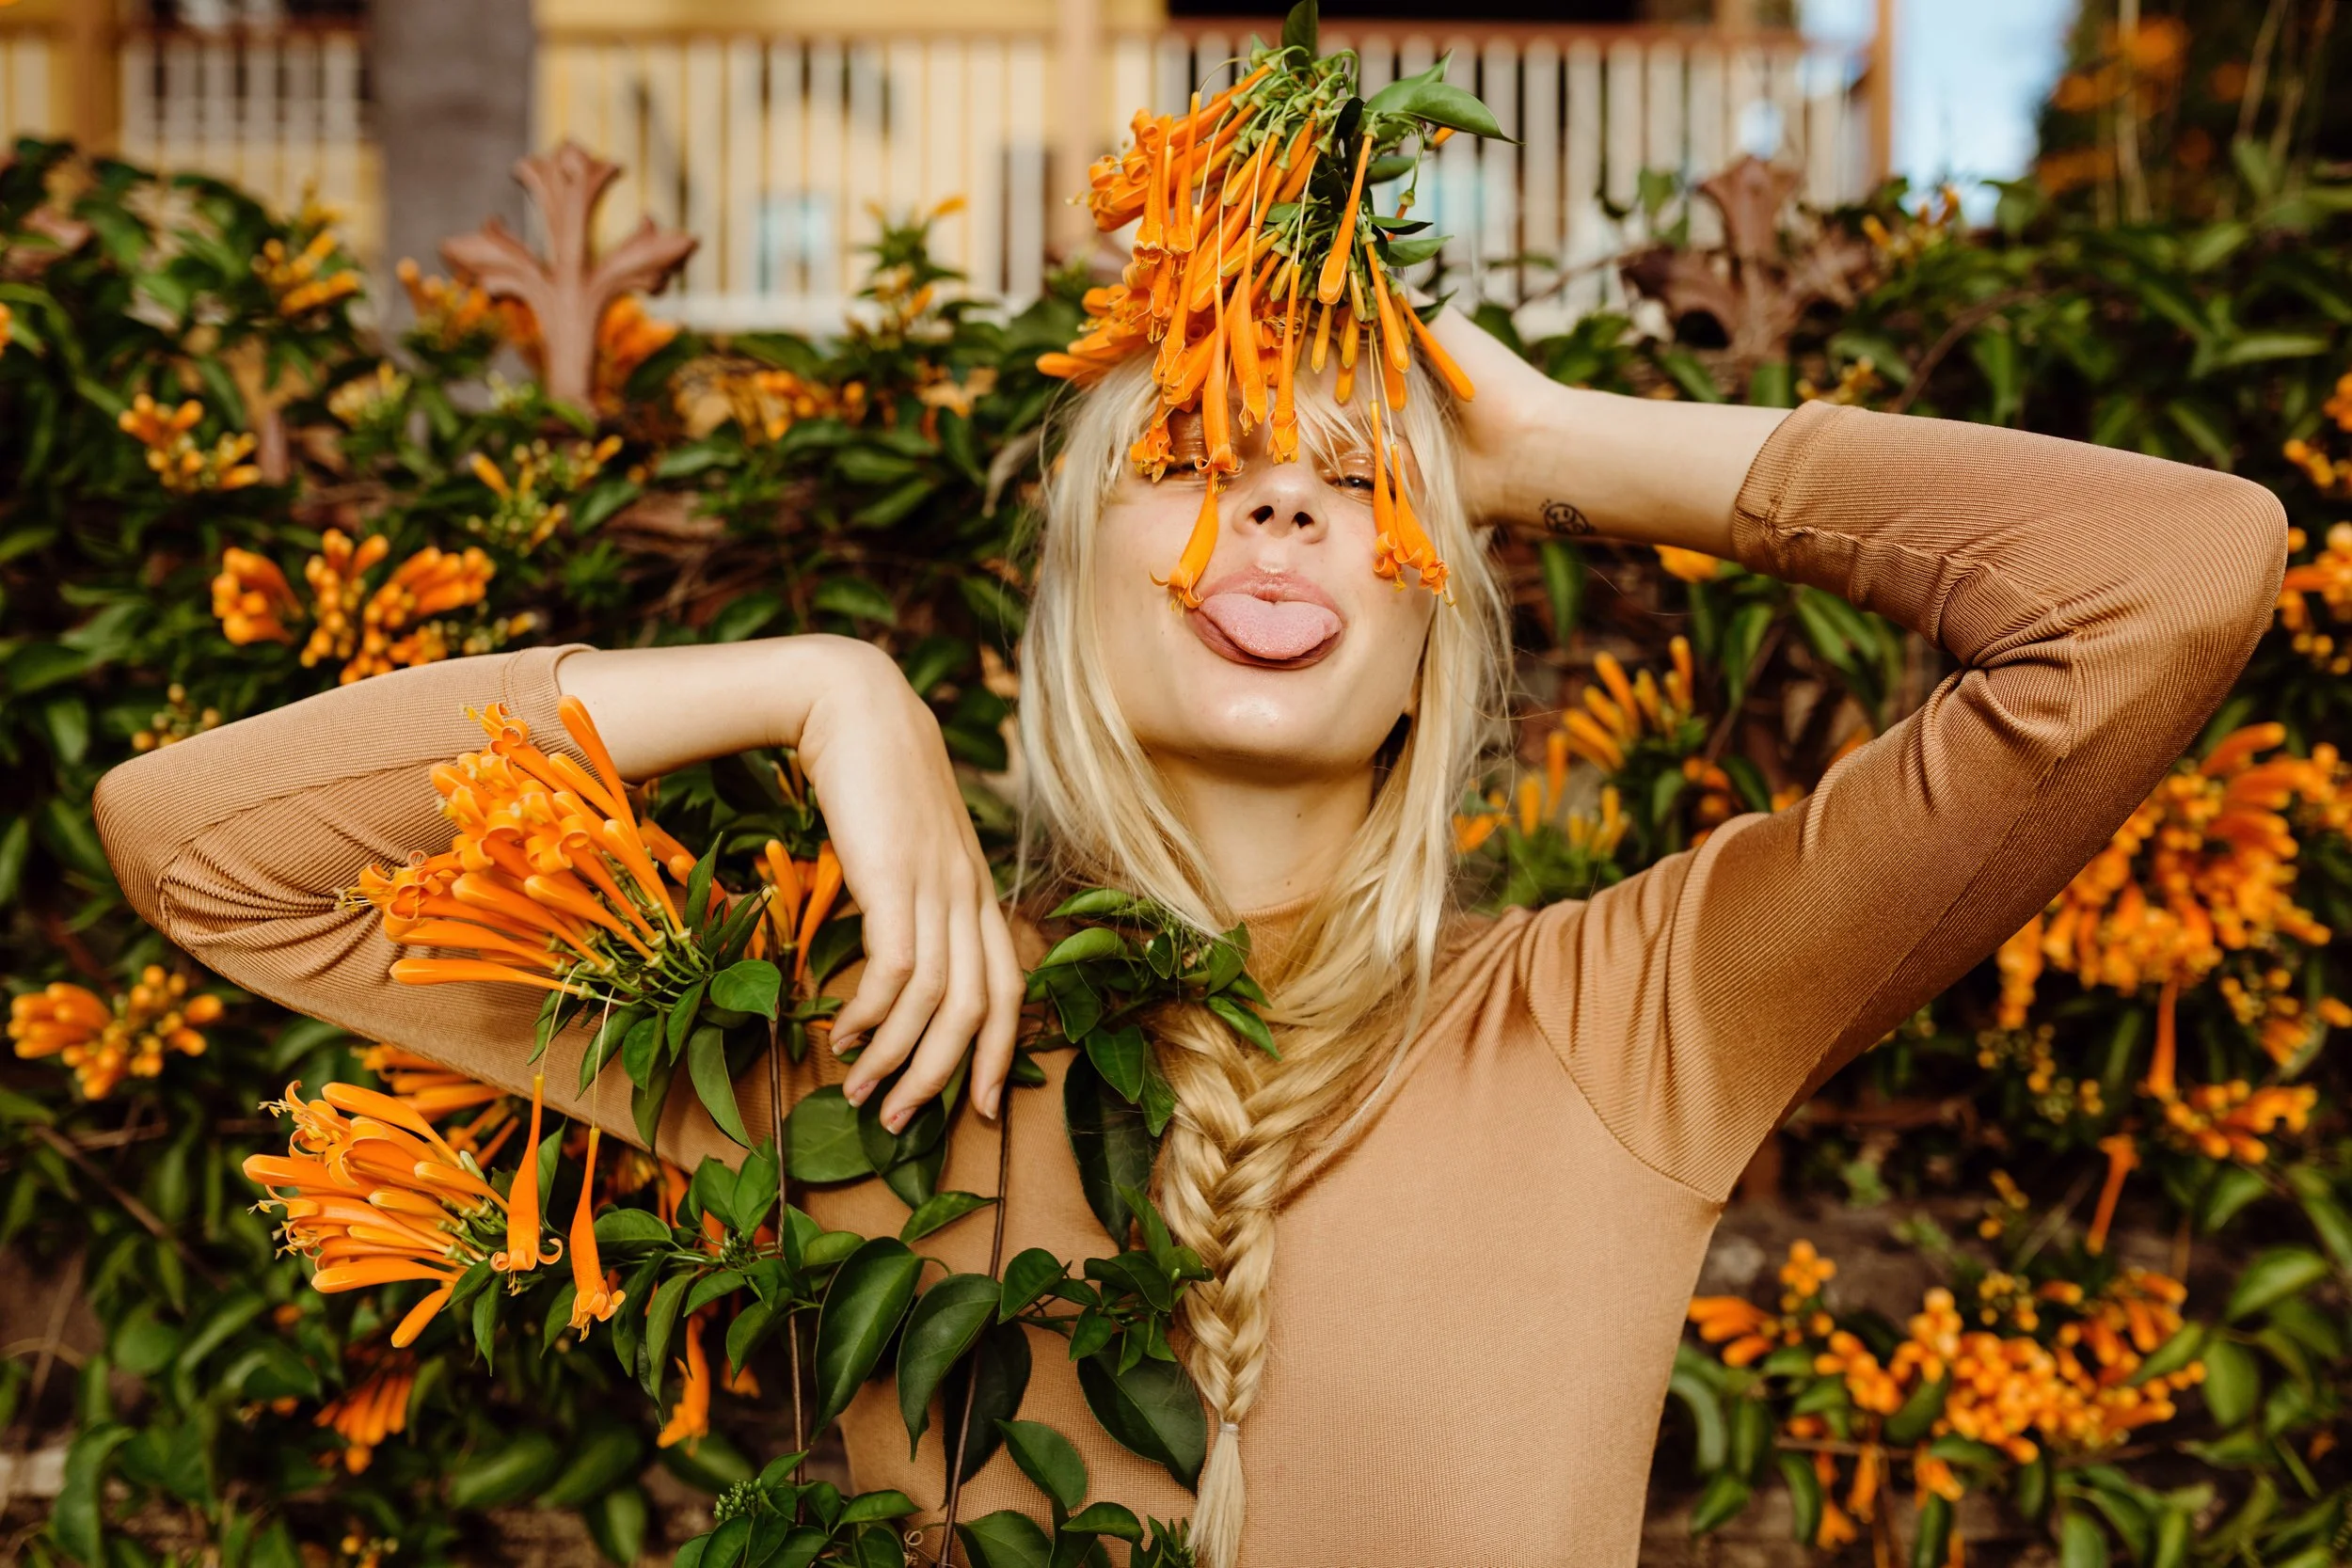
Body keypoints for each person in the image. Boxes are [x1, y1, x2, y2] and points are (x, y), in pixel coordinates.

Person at [94, 303, 2285, 1563]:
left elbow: (2165, 588)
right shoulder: (849, 1039)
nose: (1284, 499)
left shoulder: (1634, 1007)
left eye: (1363, 477)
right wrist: (808, 682)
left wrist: (1561, 444)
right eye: (1196, 454)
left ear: (1440, 623)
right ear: (1070, 599)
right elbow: (198, 844)